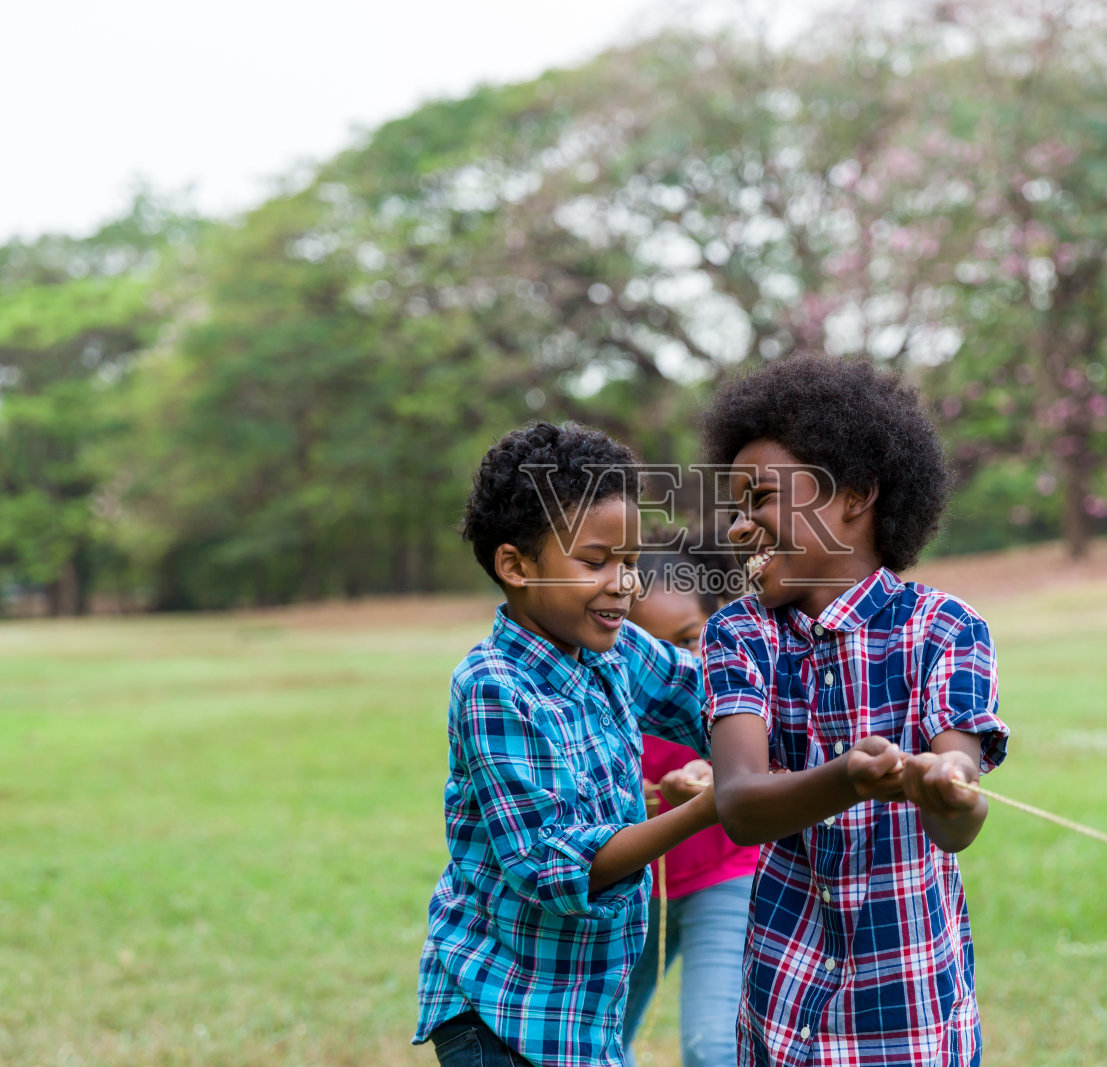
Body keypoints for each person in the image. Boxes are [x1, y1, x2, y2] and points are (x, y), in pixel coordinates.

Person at [699, 355, 1010, 1067]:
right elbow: (742, 804)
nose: (742, 526)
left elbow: (957, 801)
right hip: (779, 1004)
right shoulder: (738, 635)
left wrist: (950, 788)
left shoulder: (945, 628)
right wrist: (847, 777)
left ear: (854, 496)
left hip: (904, 1012)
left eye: (761, 498)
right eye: (736, 507)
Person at [413, 422, 718, 1067]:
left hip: (580, 1022)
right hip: (502, 1016)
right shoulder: (494, 686)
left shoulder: (617, 651)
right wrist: (702, 811)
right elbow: (554, 868)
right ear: (516, 566)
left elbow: (709, 699)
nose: (623, 585)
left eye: (631, 563)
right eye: (596, 562)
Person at [621, 534, 760, 1067]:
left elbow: (766, 765)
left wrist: (720, 772)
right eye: (646, 649)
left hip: (724, 877)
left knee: (713, 1047)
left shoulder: (734, 688)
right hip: (631, 890)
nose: (671, 664)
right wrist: (657, 799)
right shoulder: (602, 697)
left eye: (687, 639)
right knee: (594, 1042)